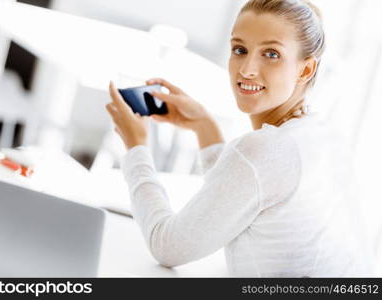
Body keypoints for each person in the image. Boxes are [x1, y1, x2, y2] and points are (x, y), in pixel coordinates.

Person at [105, 0, 374, 277]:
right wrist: (203, 125)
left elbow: (167, 246)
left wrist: (136, 148)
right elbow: (239, 196)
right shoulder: (322, 134)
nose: (247, 69)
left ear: (305, 70)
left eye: (271, 54)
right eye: (240, 50)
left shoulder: (267, 148)